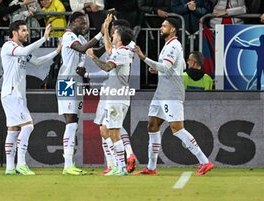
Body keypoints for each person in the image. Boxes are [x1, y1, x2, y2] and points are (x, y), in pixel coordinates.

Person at [134, 17, 214, 176]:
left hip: (171, 92)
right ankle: (151, 167)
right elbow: (180, 66)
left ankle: (205, 162)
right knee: (152, 124)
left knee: (177, 128)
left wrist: (144, 58)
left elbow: (166, 66)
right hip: (161, 92)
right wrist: (159, 70)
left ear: (172, 29)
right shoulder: (169, 46)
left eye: (164, 26)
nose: (160, 28)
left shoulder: (173, 46)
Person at [76, 18, 138, 175]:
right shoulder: (119, 51)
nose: (113, 34)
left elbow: (107, 67)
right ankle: (116, 166)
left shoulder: (123, 52)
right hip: (113, 96)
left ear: (120, 37)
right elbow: (110, 48)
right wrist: (104, 29)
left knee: (114, 132)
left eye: (115, 33)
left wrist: (93, 57)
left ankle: (121, 167)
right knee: (106, 129)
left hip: (117, 97)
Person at [1, 21, 62, 175]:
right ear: (14, 33)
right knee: (28, 126)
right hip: (12, 93)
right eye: (23, 30)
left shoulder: (21, 49)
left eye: (26, 30)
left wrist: (57, 51)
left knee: (13, 129)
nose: (26, 33)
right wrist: (44, 38)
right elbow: (23, 52)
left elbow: (37, 61)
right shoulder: (8, 46)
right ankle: (21, 164)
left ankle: (9, 168)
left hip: (16, 94)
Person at [56, 11, 102, 175]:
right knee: (71, 122)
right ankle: (67, 165)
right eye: (81, 23)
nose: (85, 26)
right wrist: (101, 33)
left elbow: (93, 53)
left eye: (86, 23)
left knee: (74, 122)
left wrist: (110, 40)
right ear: (72, 22)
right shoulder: (68, 36)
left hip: (76, 82)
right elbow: (82, 49)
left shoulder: (80, 38)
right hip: (66, 82)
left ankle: (70, 165)